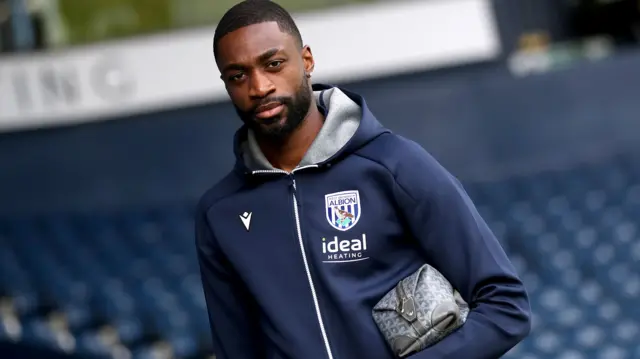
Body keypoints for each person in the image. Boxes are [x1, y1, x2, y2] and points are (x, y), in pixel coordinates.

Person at [195, 1, 531, 358]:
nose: (259, 86)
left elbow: (506, 307)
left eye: (273, 64)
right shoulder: (220, 213)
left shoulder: (394, 164)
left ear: (306, 61)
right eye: (238, 76)